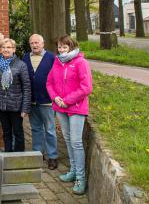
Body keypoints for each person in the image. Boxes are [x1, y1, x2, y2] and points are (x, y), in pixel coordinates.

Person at [47, 35, 93, 195]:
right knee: (67, 139)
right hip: (60, 107)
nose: (61, 50)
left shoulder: (81, 62)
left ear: (72, 47)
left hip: (76, 107)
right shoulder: (57, 62)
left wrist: (67, 100)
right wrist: (55, 98)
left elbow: (86, 87)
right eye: (59, 47)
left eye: (64, 47)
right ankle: (73, 171)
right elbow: (49, 83)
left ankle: (81, 178)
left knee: (76, 142)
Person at [22, 34, 58, 169]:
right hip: (32, 101)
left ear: (43, 44)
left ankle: (52, 156)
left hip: (47, 101)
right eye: (32, 43)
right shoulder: (25, 57)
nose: (34, 45)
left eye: (37, 43)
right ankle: (38, 154)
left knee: (49, 129)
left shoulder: (52, 58)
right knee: (36, 128)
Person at [0, 38, 31, 152]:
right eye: (3, 47)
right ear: (0, 49)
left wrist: (25, 108)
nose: (6, 49)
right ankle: (8, 154)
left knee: (18, 133)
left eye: (9, 47)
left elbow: (26, 88)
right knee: (6, 132)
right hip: (2, 105)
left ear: (14, 49)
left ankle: (18, 158)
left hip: (16, 106)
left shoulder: (21, 65)